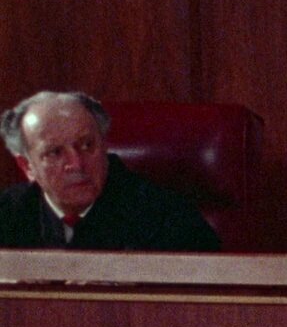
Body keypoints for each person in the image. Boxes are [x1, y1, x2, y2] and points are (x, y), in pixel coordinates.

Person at [0, 91, 220, 250]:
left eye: (87, 145)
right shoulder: (8, 214)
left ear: (104, 146)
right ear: (27, 166)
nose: (76, 164)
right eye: (55, 153)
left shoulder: (165, 217)